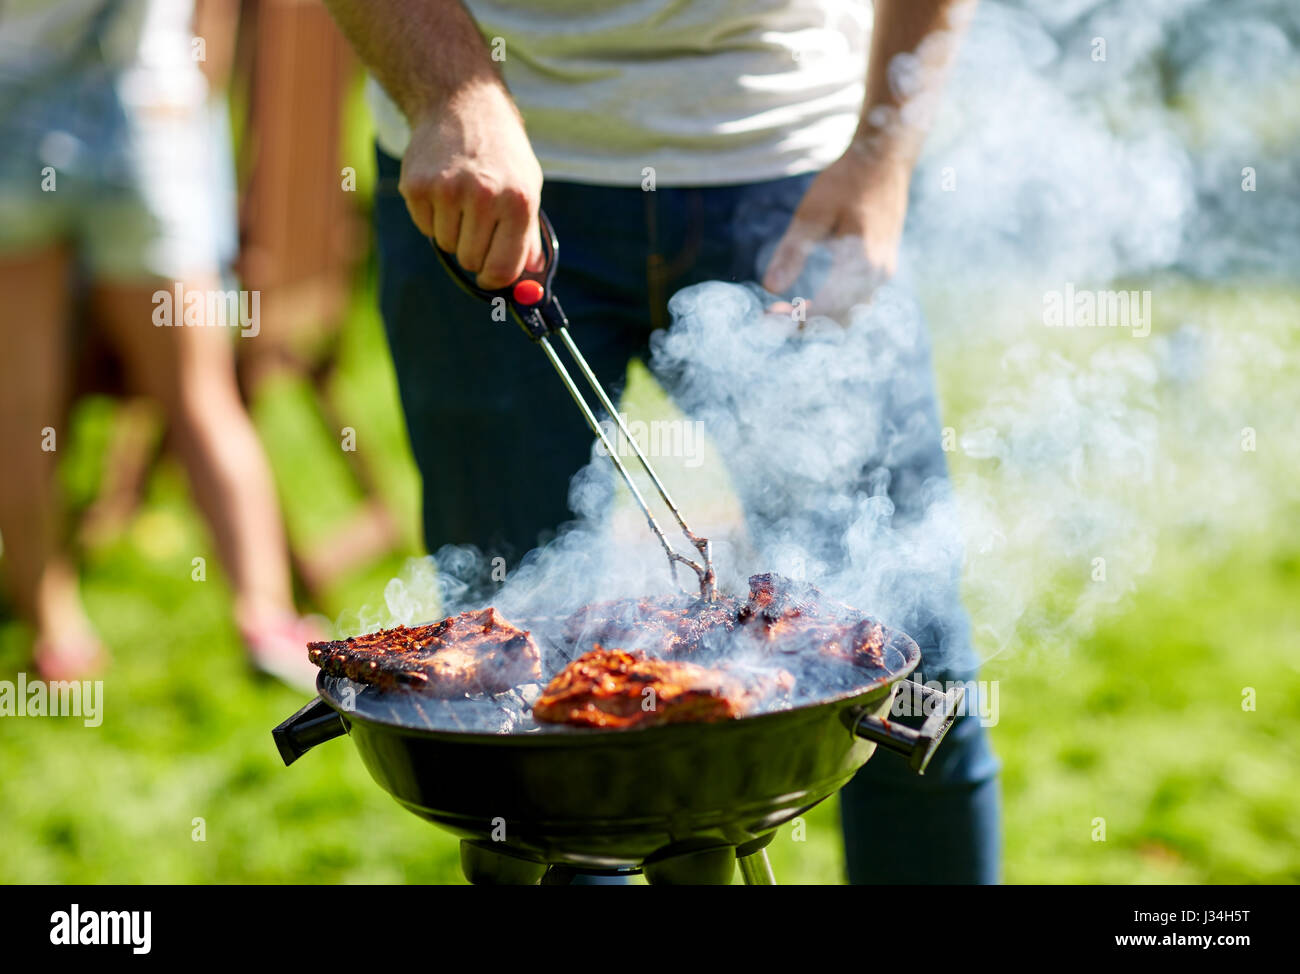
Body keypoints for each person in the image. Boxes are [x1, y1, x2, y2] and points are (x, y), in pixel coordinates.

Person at [323, 0, 1000, 883]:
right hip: (481, 173)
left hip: (791, 164)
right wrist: (450, 89)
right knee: (524, 738)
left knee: (917, 686)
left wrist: (883, 150)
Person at [0, 0, 319, 691]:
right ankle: (266, 616)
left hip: (12, 110)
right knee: (202, 395)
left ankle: (56, 639)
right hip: (147, 112)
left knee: (21, 409)